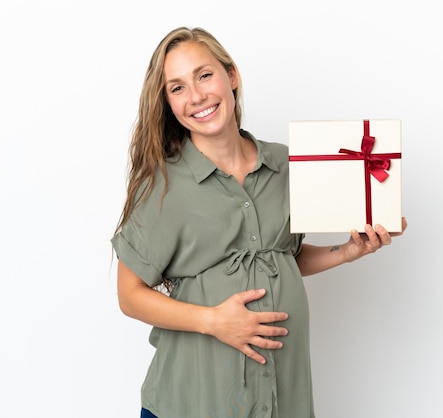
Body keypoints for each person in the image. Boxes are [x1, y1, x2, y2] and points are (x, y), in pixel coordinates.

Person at [111, 26, 407, 418]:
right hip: (195, 401)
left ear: (231, 76)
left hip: (280, 396)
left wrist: (347, 252)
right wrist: (214, 321)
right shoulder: (164, 187)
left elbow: (285, 259)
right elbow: (129, 294)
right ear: (167, 102)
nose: (197, 96)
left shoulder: (286, 166)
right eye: (177, 87)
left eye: (204, 75)